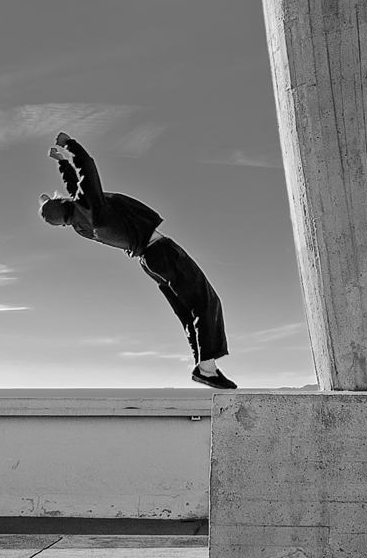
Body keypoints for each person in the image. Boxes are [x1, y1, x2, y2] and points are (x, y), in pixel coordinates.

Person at [39, 132, 236, 390]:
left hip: (148, 262)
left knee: (187, 312)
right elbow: (86, 167)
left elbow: (73, 185)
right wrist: (70, 145)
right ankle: (207, 369)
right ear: (63, 205)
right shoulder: (92, 208)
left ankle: (204, 366)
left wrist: (61, 162)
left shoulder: (82, 225)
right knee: (206, 302)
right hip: (160, 251)